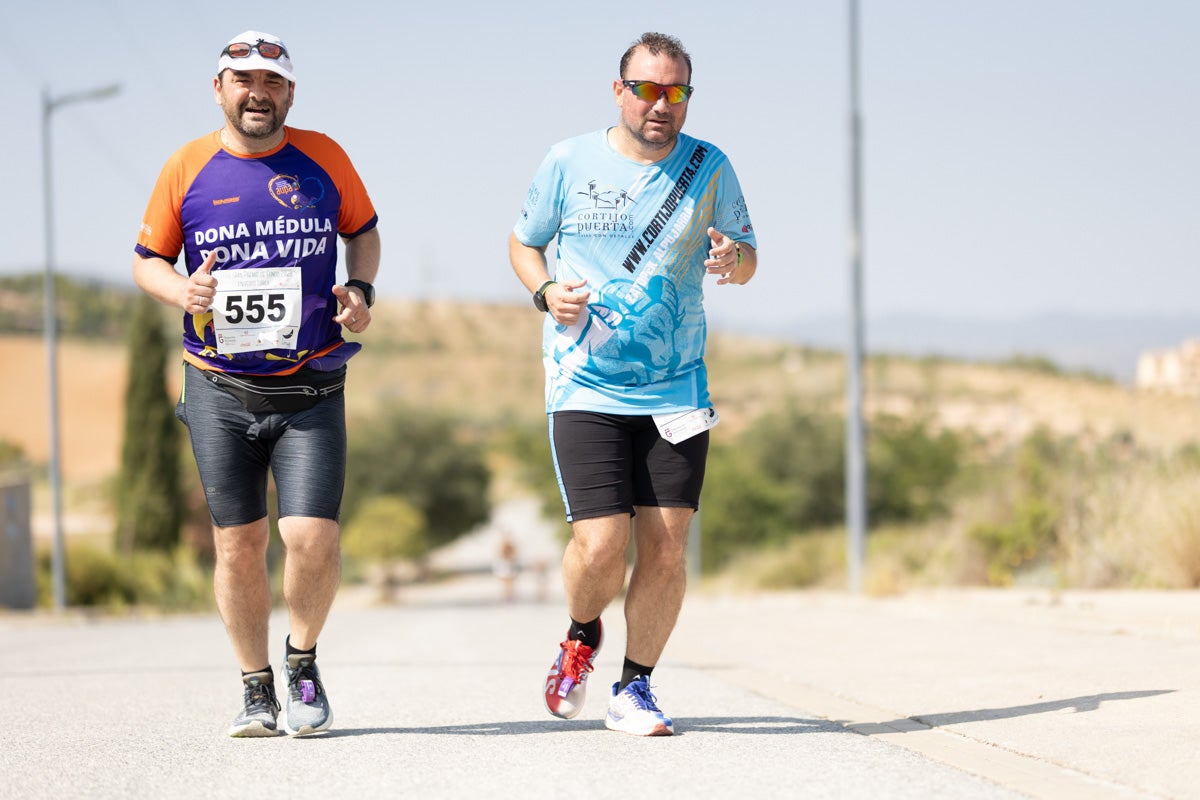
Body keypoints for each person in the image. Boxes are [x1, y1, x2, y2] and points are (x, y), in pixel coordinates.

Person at [132, 30, 381, 738]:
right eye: (242, 80)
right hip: (218, 386)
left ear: (289, 94)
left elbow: (363, 230)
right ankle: (254, 688)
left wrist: (360, 285)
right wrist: (183, 291)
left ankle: (302, 664)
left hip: (310, 385)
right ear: (219, 89)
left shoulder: (324, 157)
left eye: (270, 82)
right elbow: (147, 259)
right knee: (238, 543)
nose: (256, 93)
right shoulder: (186, 166)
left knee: (311, 536)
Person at [509, 31, 758, 736]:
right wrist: (545, 289)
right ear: (619, 90)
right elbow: (523, 241)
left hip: (676, 386)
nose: (660, 104)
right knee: (599, 545)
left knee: (669, 545)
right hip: (584, 379)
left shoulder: (710, 166)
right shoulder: (568, 160)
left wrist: (732, 257)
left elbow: (748, 259)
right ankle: (581, 633)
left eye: (675, 92)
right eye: (646, 89)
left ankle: (635, 687)